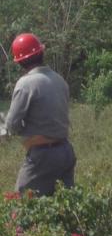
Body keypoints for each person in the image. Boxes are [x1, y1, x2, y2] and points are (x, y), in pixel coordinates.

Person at [0, 33, 75, 196]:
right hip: (66, 150)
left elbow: (12, 125)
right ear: (41, 53)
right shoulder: (59, 79)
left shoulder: (25, 83)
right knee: (65, 203)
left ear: (20, 61)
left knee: (23, 202)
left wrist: (13, 129)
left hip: (43, 155)